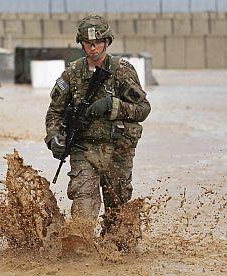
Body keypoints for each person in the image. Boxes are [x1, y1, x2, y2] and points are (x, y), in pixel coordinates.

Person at [44, 15, 151, 235]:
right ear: (81, 43)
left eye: (98, 42)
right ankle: (80, 255)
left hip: (118, 149)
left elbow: (143, 109)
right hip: (84, 150)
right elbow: (54, 111)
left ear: (107, 42)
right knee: (83, 208)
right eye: (88, 43)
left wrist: (113, 106)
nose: (93, 48)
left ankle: (115, 257)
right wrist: (54, 137)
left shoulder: (121, 70)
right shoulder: (72, 73)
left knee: (117, 213)